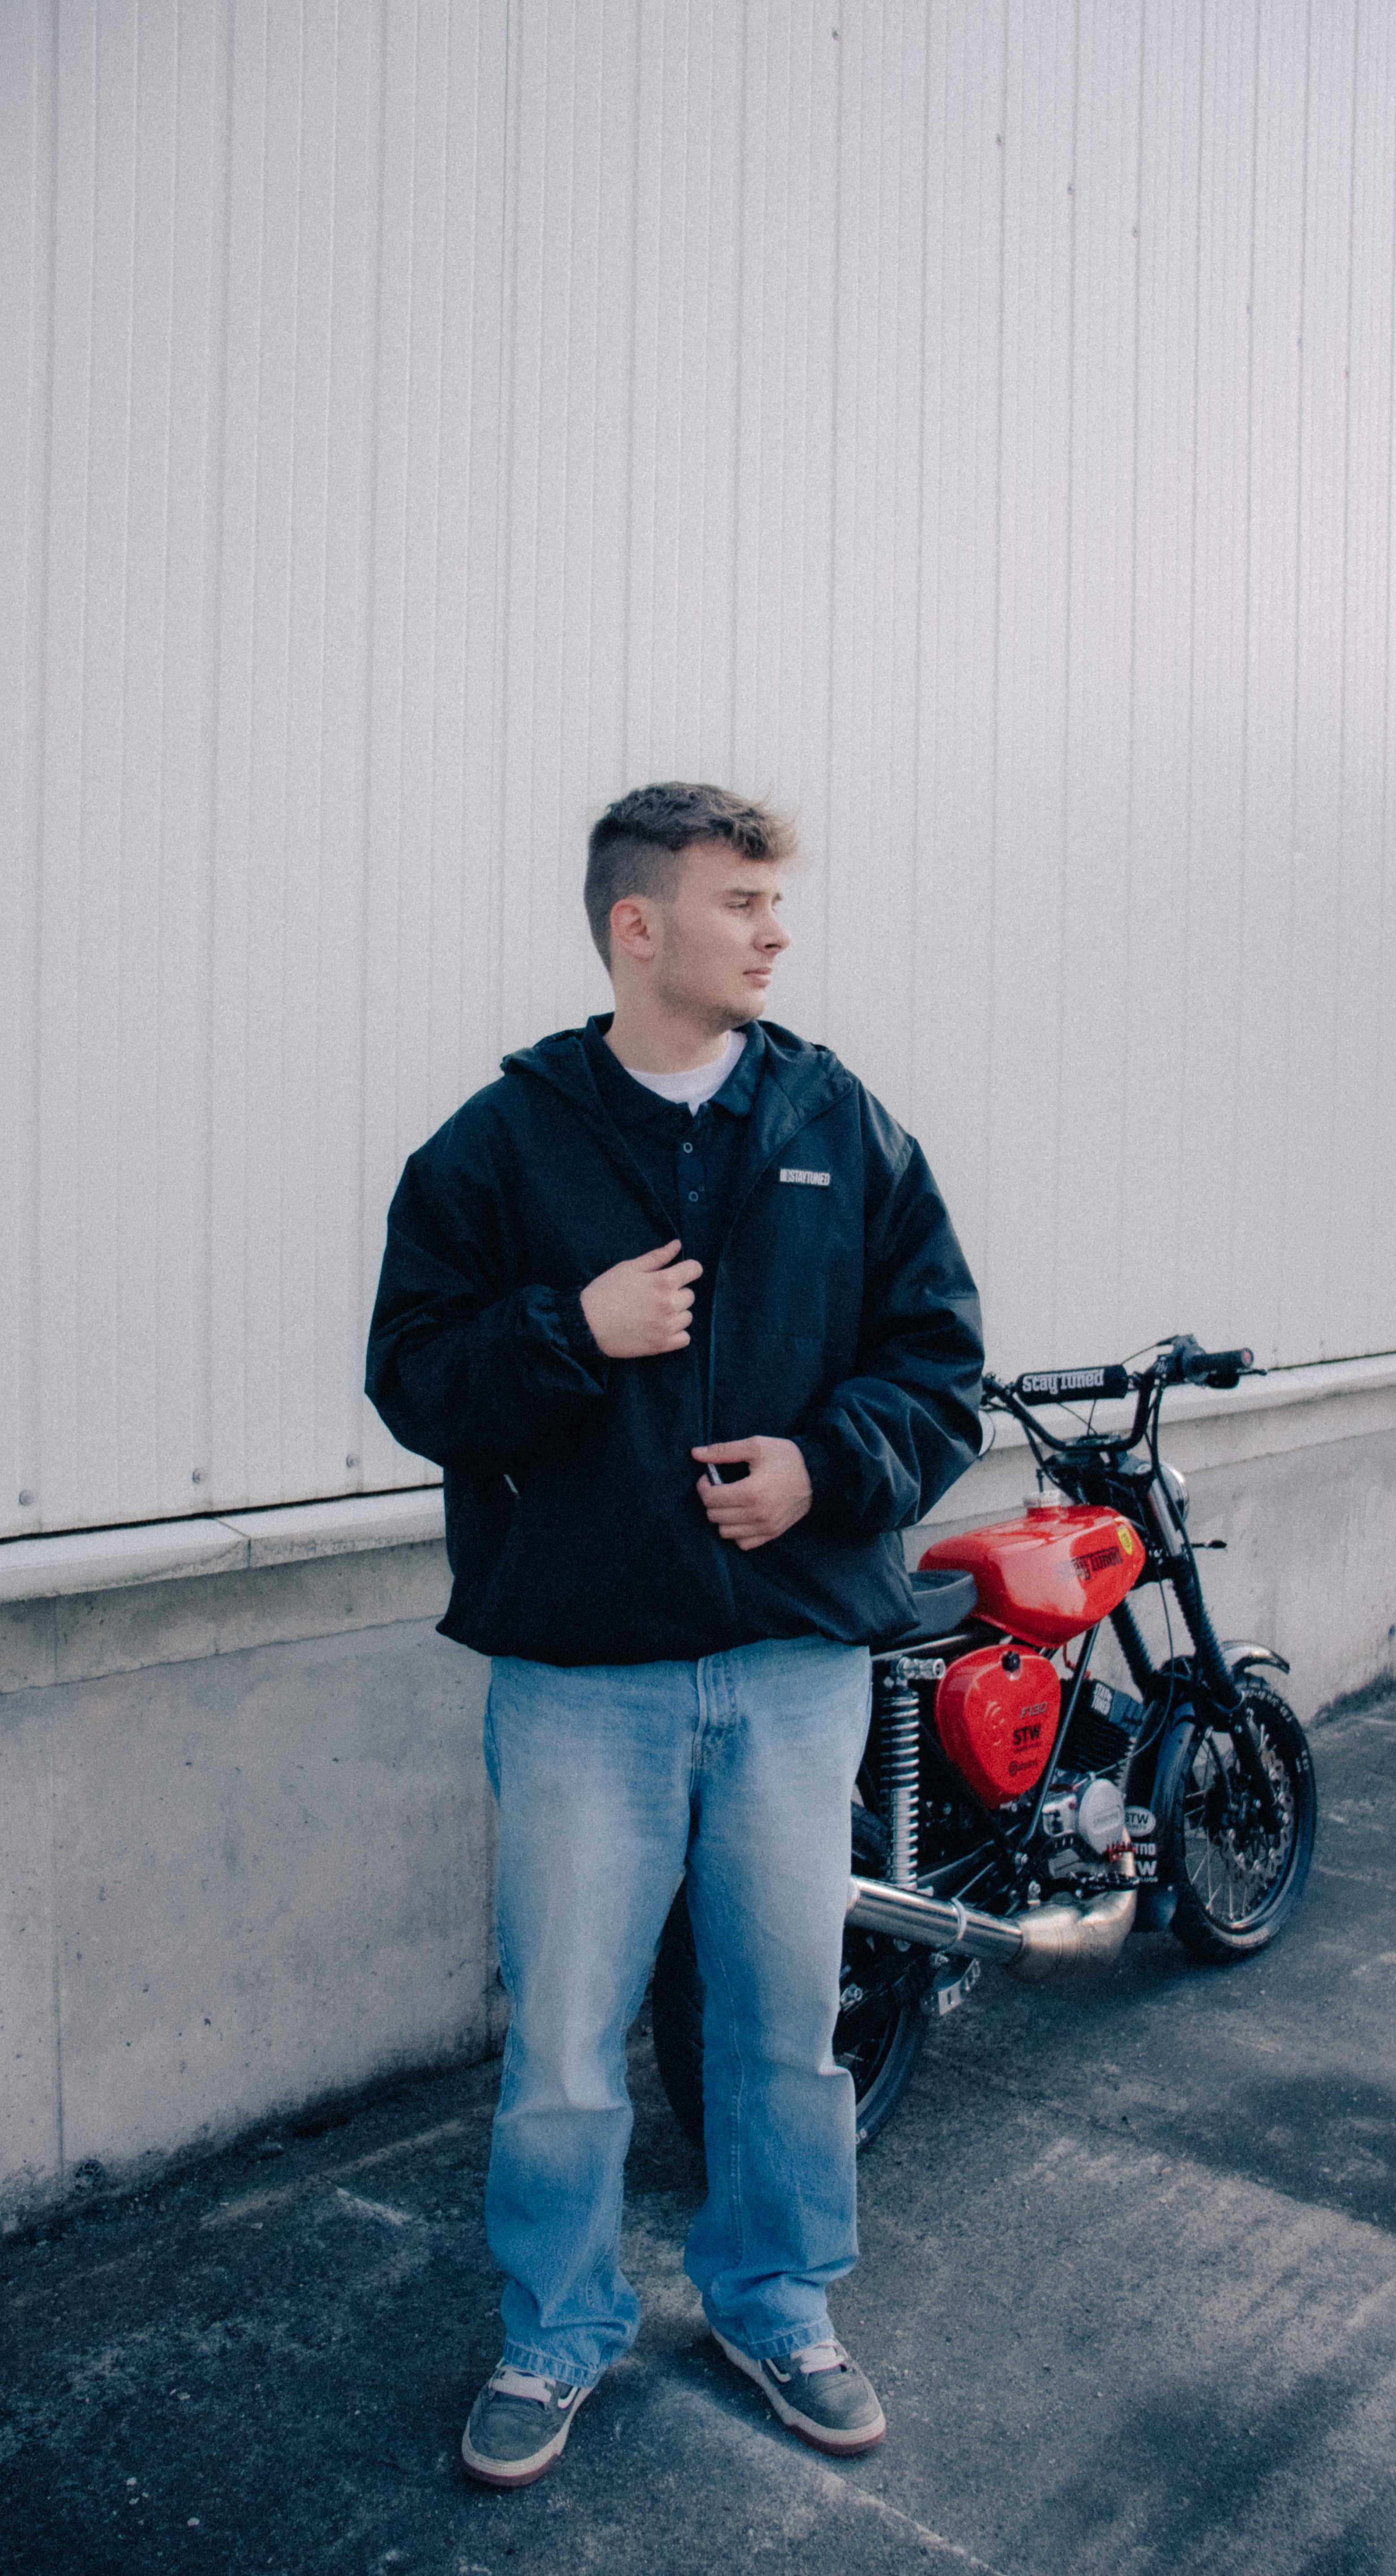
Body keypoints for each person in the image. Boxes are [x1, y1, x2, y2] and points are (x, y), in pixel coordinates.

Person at [365, 782, 983, 2487]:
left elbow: (939, 1363)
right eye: (741, 902)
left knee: (784, 2027)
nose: (776, 932)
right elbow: (414, 1378)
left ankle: (778, 2307)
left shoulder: (840, 1124)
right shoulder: (503, 1143)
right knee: (567, 2047)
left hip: (793, 1667)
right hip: (582, 1683)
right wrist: (575, 1328)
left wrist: (822, 1471)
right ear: (639, 928)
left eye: (777, 901)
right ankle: (556, 2333)